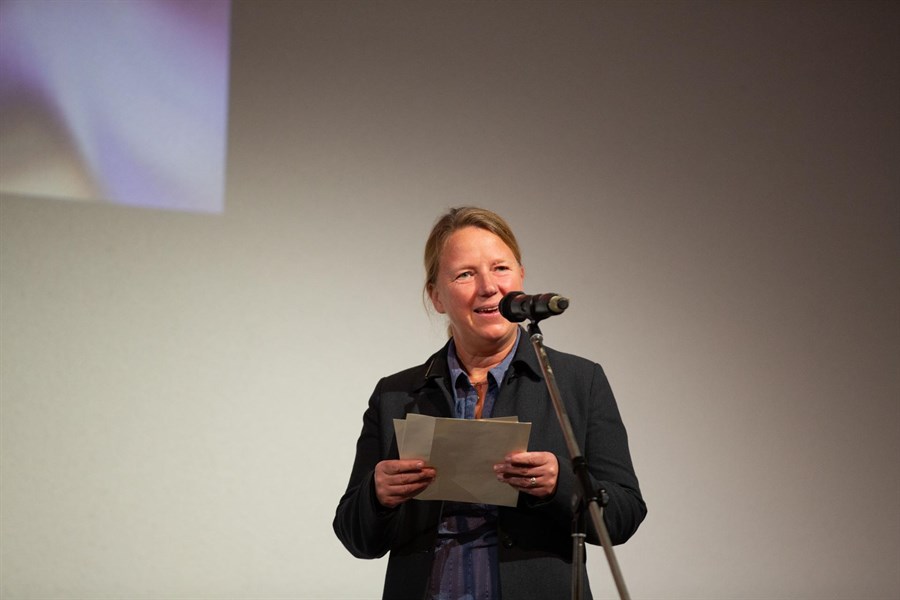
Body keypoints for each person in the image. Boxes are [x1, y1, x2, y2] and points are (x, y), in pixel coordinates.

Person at [333, 207, 646, 599]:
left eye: (500, 268)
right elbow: (356, 537)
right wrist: (377, 496)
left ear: (521, 277)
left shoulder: (577, 381)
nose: (488, 287)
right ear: (436, 296)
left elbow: (624, 516)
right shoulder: (396, 394)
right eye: (465, 274)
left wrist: (559, 485)